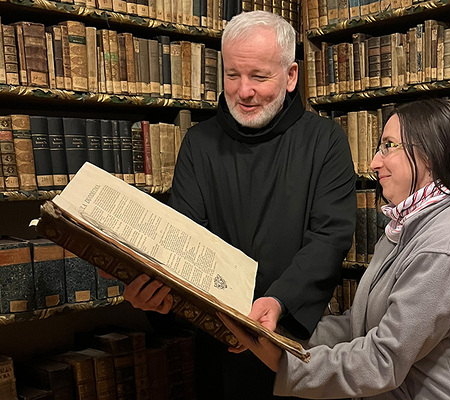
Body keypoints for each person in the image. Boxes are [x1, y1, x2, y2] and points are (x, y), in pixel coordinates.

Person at [121, 10, 357, 400]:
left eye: (259, 77)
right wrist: (154, 296)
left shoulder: (325, 141)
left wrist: (279, 303)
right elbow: (182, 241)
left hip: (292, 342)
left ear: (291, 76)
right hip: (216, 345)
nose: (243, 90)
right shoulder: (199, 143)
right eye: (233, 75)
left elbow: (330, 238)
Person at [221, 98, 450, 400]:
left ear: (431, 154)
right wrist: (278, 336)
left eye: (388, 145)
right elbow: (359, 326)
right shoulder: (406, 227)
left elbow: (384, 359)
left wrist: (287, 364)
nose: (374, 162)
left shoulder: (446, 242)